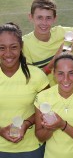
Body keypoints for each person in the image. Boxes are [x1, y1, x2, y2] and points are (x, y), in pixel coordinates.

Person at [0, 23, 49, 158]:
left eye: (14, 47)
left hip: (31, 148)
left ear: (21, 46)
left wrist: (26, 124)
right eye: (2, 48)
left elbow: (47, 109)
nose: (8, 53)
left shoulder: (37, 76)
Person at [34, 52, 73, 158]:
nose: (66, 79)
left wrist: (63, 125)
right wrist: (50, 127)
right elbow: (40, 136)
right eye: (60, 73)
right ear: (53, 73)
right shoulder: (43, 97)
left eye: (71, 73)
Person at [23, 0, 73, 86]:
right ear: (31, 17)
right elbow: (34, 80)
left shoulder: (60, 32)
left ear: (55, 18)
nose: (44, 23)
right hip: (44, 91)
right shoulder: (24, 44)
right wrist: (57, 57)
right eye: (39, 17)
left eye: (48, 18)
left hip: (66, 87)